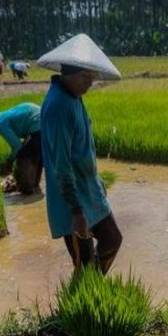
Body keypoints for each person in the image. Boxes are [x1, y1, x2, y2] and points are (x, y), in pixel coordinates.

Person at [40, 63, 122, 274]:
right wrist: (76, 212)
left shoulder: (74, 96)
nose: (90, 83)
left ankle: (94, 287)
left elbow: (84, 147)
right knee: (83, 262)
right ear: (69, 74)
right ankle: (83, 296)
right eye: (86, 77)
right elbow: (61, 165)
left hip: (89, 188)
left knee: (112, 239)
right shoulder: (58, 105)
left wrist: (98, 180)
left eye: (93, 77)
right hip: (72, 199)